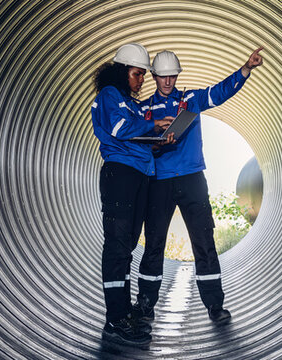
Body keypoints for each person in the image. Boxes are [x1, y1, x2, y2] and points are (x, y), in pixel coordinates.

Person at [132, 47, 264, 325]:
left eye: (173, 76)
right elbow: (133, 144)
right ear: (154, 77)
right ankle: (145, 305)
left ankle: (215, 305)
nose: (168, 82)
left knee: (204, 242)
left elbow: (219, 92)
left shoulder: (190, 99)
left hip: (192, 179)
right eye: (163, 77)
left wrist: (245, 69)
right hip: (159, 181)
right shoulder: (144, 110)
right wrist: (155, 143)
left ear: (178, 76)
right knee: (154, 244)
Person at [90, 43, 175, 348]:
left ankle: (124, 311)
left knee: (126, 246)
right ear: (122, 71)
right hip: (121, 175)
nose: (141, 81)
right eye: (138, 74)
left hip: (140, 174)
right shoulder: (111, 96)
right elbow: (119, 126)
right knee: (117, 246)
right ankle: (115, 319)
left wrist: (160, 138)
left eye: (142, 75)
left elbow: (138, 137)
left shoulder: (133, 105)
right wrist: (153, 124)